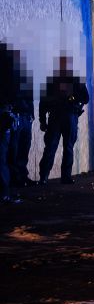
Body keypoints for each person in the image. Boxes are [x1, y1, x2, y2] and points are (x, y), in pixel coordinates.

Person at [38, 55, 89, 185]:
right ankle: (52, 177)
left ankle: (49, 177)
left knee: (59, 147)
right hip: (62, 116)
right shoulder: (55, 80)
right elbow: (43, 102)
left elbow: (85, 98)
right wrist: (42, 120)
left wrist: (73, 98)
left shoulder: (69, 79)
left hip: (64, 116)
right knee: (57, 147)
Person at [8, 49, 36, 188]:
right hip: (18, 114)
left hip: (25, 116)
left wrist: (32, 115)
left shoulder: (25, 74)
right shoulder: (10, 74)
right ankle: (15, 178)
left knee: (24, 147)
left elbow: (30, 96)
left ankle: (22, 176)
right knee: (15, 148)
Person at [0, 43, 19, 202]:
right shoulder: (10, 71)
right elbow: (14, 92)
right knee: (4, 154)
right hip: (4, 113)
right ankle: (4, 193)